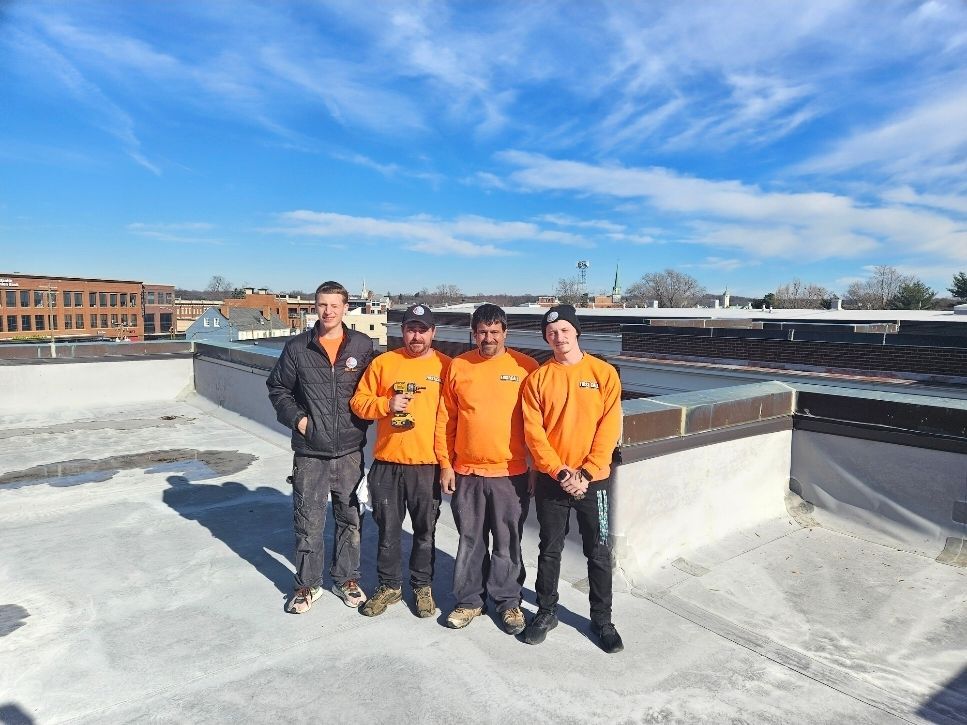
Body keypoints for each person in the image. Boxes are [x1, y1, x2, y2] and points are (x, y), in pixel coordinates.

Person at [520, 304, 624, 653]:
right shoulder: (537, 378)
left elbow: (609, 427)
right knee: (549, 549)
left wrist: (588, 471)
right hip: (553, 479)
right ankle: (547, 611)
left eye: (564, 329)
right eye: (551, 332)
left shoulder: (603, 373)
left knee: (599, 550)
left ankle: (602, 620)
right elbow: (534, 433)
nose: (558, 337)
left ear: (576, 331)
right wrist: (561, 471)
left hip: (595, 481)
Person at [267, 280, 374, 614]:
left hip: (350, 451)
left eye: (334, 305)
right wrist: (301, 422)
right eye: (322, 304)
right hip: (310, 451)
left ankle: (346, 579)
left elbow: (373, 388)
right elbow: (278, 388)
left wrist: (364, 423)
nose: (328, 311)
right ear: (316, 306)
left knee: (350, 519)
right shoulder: (298, 347)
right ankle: (308, 584)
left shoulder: (361, 345)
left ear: (345, 308)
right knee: (308, 520)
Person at [435, 303, 538, 634]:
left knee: (508, 542)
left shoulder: (526, 368)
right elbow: (446, 419)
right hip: (467, 472)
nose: (488, 338)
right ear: (473, 333)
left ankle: (508, 602)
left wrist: (537, 467)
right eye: (482, 332)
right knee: (470, 540)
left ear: (506, 332)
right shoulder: (460, 366)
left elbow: (538, 424)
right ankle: (469, 602)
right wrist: (445, 465)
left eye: (495, 332)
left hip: (511, 474)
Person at [350, 304, 451, 618]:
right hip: (388, 464)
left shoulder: (447, 367)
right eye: (411, 329)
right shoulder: (384, 363)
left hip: (427, 465)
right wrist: (386, 403)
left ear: (433, 332)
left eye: (423, 329)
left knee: (425, 533)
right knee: (388, 532)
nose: (416, 336)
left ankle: (422, 587)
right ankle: (389, 586)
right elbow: (359, 403)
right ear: (402, 331)